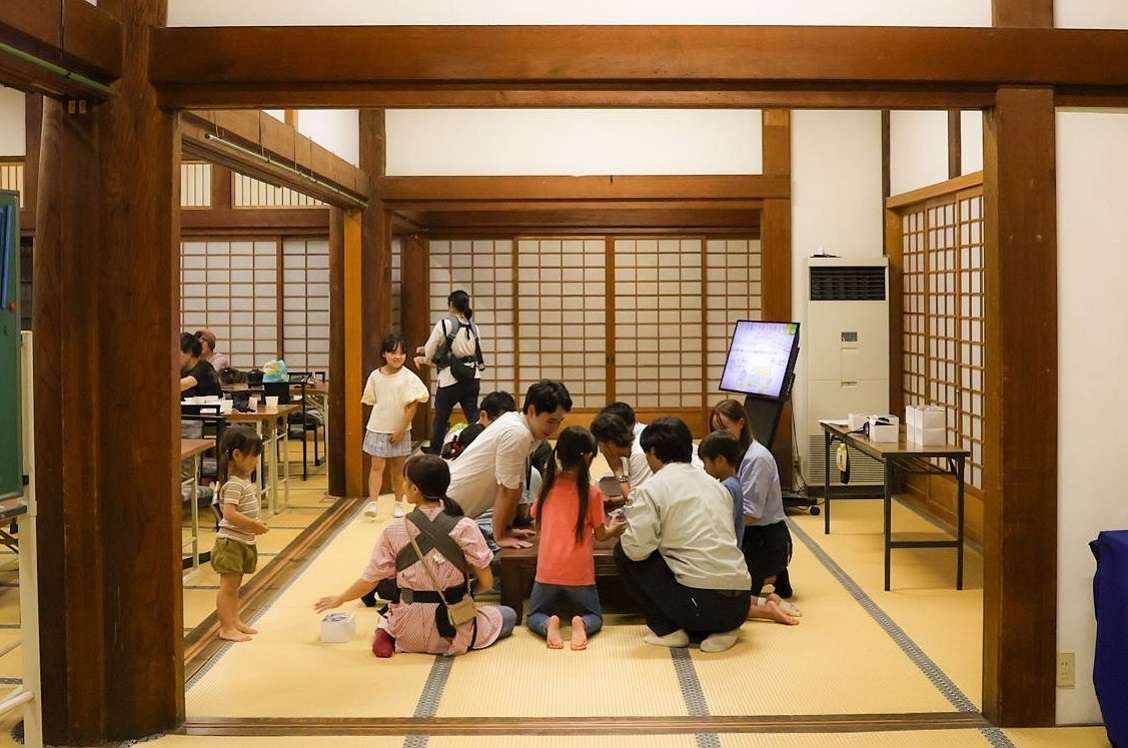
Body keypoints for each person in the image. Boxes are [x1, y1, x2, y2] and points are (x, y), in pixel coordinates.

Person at [314, 455, 517, 657]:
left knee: (388, 612)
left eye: (405, 481)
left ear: (414, 489)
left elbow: (370, 581)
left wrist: (340, 598)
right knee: (508, 615)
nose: (403, 486)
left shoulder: (393, 530)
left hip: (407, 631)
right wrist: (466, 593)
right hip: (452, 628)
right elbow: (487, 582)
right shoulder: (465, 527)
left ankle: (386, 633)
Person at [614, 418, 752, 653]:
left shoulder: (651, 488)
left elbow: (636, 550)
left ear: (653, 452)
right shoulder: (717, 486)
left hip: (698, 606)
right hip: (740, 605)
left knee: (624, 551)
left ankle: (667, 630)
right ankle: (725, 628)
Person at [527, 427, 626, 650]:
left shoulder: (546, 488)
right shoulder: (592, 493)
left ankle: (548, 624)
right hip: (579, 572)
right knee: (595, 616)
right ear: (588, 457)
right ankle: (581, 623)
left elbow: (535, 518)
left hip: (548, 569)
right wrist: (613, 529)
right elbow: (601, 535)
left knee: (534, 615)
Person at [447, 379, 572, 549]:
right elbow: (506, 488)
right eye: (550, 421)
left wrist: (507, 529)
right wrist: (500, 536)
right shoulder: (517, 433)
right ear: (531, 410)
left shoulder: (519, 425)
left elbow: (516, 486)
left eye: (559, 422)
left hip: (457, 511)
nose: (554, 428)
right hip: (446, 512)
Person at [710, 398, 801, 625]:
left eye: (724, 429)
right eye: (715, 430)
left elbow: (750, 514)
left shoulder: (756, 458)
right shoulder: (733, 454)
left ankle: (772, 577)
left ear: (741, 423)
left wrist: (719, 530)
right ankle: (772, 585)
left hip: (764, 538)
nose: (720, 435)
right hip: (749, 533)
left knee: (725, 591)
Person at [361, 333, 430, 520]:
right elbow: (371, 400)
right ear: (384, 353)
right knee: (376, 466)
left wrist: (400, 429)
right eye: (393, 353)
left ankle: (398, 503)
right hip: (377, 427)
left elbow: (413, 406)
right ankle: (373, 502)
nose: (398, 357)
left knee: (398, 469)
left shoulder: (408, 377)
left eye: (402, 353)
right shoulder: (375, 376)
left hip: (400, 429)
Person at [211, 427, 269, 642]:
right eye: (253, 456)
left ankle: (234, 620)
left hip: (241, 540)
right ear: (237, 455)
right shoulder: (234, 483)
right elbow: (229, 513)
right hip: (231, 542)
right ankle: (226, 627)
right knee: (227, 588)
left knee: (235, 587)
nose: (256, 461)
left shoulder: (241, 479)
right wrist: (253, 524)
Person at [414, 290, 483, 456]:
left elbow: (431, 352)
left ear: (451, 305)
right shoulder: (474, 327)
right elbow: (469, 349)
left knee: (441, 416)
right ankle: (481, 445)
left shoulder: (444, 324)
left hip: (450, 379)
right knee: (474, 416)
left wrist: (423, 359)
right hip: (472, 377)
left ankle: (434, 450)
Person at [589, 410, 652, 505]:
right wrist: (611, 501)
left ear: (610, 444)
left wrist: (617, 470)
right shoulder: (625, 453)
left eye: (599, 444)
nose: (600, 451)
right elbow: (633, 492)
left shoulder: (639, 454)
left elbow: (635, 500)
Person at [697, 429, 747, 548]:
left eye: (705, 462)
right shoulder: (734, 482)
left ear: (720, 460)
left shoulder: (727, 488)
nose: (704, 468)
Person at [441, 390, 516, 459]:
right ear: (482, 415)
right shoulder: (460, 437)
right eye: (498, 423)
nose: (503, 428)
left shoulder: (511, 436)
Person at [179, 331, 222, 398]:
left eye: (177, 353)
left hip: (210, 405)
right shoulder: (184, 369)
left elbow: (183, 384)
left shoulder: (204, 367)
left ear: (189, 352)